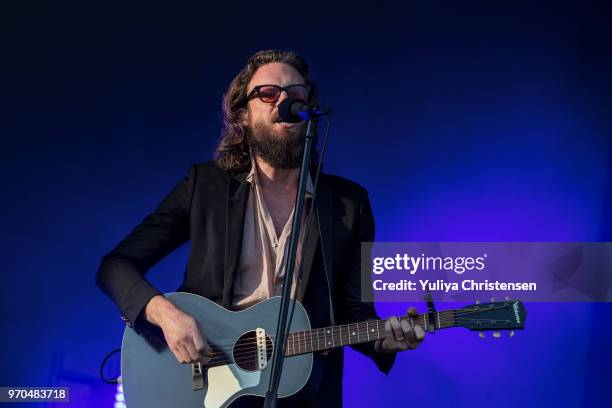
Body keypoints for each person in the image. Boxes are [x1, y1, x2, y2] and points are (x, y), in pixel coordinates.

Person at [96, 49, 425, 407]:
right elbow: (116, 266)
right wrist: (166, 313)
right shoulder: (204, 186)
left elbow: (353, 313)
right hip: (207, 379)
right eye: (268, 94)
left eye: (296, 95)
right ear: (243, 115)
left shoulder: (348, 204)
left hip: (305, 389)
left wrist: (384, 339)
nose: (284, 101)